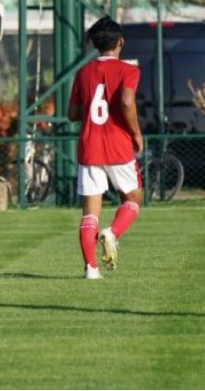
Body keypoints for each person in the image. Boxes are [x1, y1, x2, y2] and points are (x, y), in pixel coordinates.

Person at [67, 15, 144, 280]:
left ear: (95, 45)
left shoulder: (83, 72)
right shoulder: (129, 70)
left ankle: (91, 269)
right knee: (133, 199)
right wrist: (136, 133)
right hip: (118, 146)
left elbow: (72, 114)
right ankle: (112, 233)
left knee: (90, 213)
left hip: (90, 147)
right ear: (120, 42)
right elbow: (126, 102)